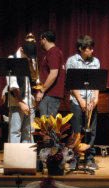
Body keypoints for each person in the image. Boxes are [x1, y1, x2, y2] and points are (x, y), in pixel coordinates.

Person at [65, 35, 100, 170]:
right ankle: (75, 158)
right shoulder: (72, 61)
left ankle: (89, 158)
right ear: (81, 48)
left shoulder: (95, 61)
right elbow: (71, 83)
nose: (92, 51)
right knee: (77, 130)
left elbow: (97, 82)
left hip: (91, 100)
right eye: (89, 49)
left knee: (91, 130)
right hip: (77, 101)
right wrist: (80, 101)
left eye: (92, 48)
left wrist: (96, 99)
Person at [5, 36, 36, 143]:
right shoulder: (12, 59)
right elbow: (13, 84)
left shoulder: (30, 60)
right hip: (16, 101)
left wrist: (31, 65)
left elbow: (34, 79)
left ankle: (26, 158)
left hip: (29, 101)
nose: (29, 59)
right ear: (21, 50)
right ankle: (15, 159)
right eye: (27, 56)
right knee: (15, 131)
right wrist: (21, 103)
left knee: (29, 131)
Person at [36, 30, 66, 117]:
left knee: (48, 125)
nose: (40, 42)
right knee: (47, 125)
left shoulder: (53, 52)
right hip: (50, 94)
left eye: (40, 40)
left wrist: (42, 90)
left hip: (50, 94)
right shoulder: (54, 52)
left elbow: (53, 73)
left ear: (44, 39)